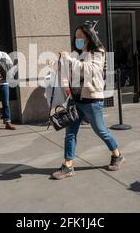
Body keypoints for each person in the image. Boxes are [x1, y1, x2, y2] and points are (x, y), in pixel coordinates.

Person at [49, 23, 125, 180]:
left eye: (81, 37)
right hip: (75, 99)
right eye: (76, 37)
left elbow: (89, 70)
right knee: (70, 133)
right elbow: (69, 69)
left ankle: (117, 155)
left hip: (92, 100)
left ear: (89, 37)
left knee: (100, 130)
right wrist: (56, 65)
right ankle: (68, 166)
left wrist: (68, 59)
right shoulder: (75, 53)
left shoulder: (98, 52)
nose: (77, 40)